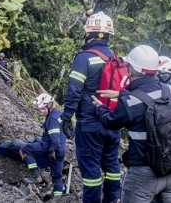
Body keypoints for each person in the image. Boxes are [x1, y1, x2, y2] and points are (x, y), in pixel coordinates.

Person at [91, 45, 171, 203]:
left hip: (144, 172)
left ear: (130, 70)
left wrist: (100, 108)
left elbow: (110, 122)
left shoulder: (131, 102)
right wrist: (123, 93)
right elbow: (151, 97)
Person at [61, 11, 121, 203]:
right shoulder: (117, 59)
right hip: (113, 122)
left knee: (91, 170)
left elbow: (74, 90)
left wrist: (66, 116)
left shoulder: (84, 58)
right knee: (112, 167)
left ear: (88, 33)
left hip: (90, 123)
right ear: (109, 35)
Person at [19, 93, 67, 197]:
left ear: (50, 104)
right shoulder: (59, 114)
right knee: (57, 179)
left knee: (25, 150)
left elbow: (55, 138)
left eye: (43, 108)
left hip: (51, 146)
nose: (42, 111)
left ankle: (36, 176)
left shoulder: (51, 119)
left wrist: (51, 150)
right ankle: (57, 199)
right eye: (40, 109)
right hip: (62, 150)